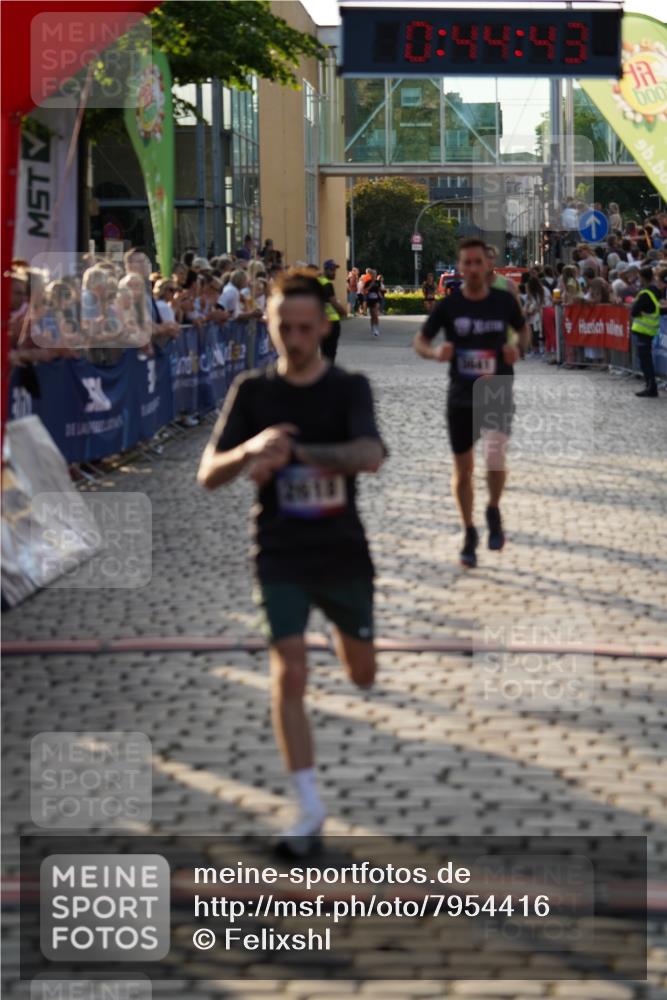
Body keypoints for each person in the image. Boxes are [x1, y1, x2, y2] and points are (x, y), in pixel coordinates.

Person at [197, 271, 386, 851]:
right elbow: (208, 474)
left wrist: (298, 453)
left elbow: (371, 453)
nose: (295, 339)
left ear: (324, 327)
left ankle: (342, 634)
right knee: (290, 671)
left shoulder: (348, 388)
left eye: (306, 328)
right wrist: (251, 449)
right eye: (285, 327)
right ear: (269, 325)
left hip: (342, 551)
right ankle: (307, 810)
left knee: (362, 673)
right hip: (278, 550)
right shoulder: (253, 392)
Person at [414, 237, 529, 568]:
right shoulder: (449, 306)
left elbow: (524, 332)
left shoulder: (503, 302)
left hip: (496, 388)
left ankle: (493, 509)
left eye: (479, 262)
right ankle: (468, 531)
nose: (474, 268)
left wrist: (518, 349)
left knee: (495, 456)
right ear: (460, 267)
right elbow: (420, 341)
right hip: (461, 393)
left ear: (487, 264)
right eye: (468, 263)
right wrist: (435, 352)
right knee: (463, 469)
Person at [630, 266, 660, 397]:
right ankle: (650, 385)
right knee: (646, 360)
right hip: (650, 330)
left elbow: (634, 311)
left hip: (644, 331)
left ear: (642, 278)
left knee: (645, 361)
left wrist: (638, 310)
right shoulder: (655, 292)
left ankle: (651, 387)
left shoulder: (645, 294)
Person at [318, 259, 348, 361]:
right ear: (325, 270)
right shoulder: (327, 284)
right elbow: (333, 302)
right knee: (330, 353)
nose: (334, 272)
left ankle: (323, 369)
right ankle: (328, 370)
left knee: (324, 351)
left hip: (320, 321)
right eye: (332, 270)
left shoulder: (318, 281)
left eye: (335, 270)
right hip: (331, 322)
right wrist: (343, 312)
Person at [364, 269, 382, 337]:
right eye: (373, 274)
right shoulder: (368, 282)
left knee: (375, 314)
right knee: (372, 316)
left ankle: (376, 329)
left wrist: (380, 294)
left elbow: (379, 290)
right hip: (370, 300)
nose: (374, 275)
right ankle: (373, 328)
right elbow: (365, 291)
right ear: (370, 275)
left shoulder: (378, 282)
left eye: (375, 274)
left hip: (376, 299)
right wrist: (370, 285)